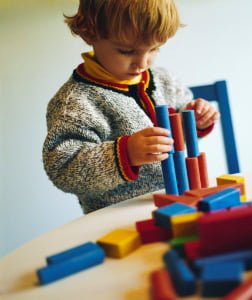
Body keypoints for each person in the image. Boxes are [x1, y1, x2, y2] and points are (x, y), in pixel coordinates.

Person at [43, 0, 220, 214]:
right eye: (126, 51)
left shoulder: (164, 80)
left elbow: (182, 128)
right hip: (117, 215)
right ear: (89, 33)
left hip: (181, 201)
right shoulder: (75, 101)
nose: (143, 63)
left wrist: (196, 119)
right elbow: (63, 168)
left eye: (154, 49)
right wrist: (125, 154)